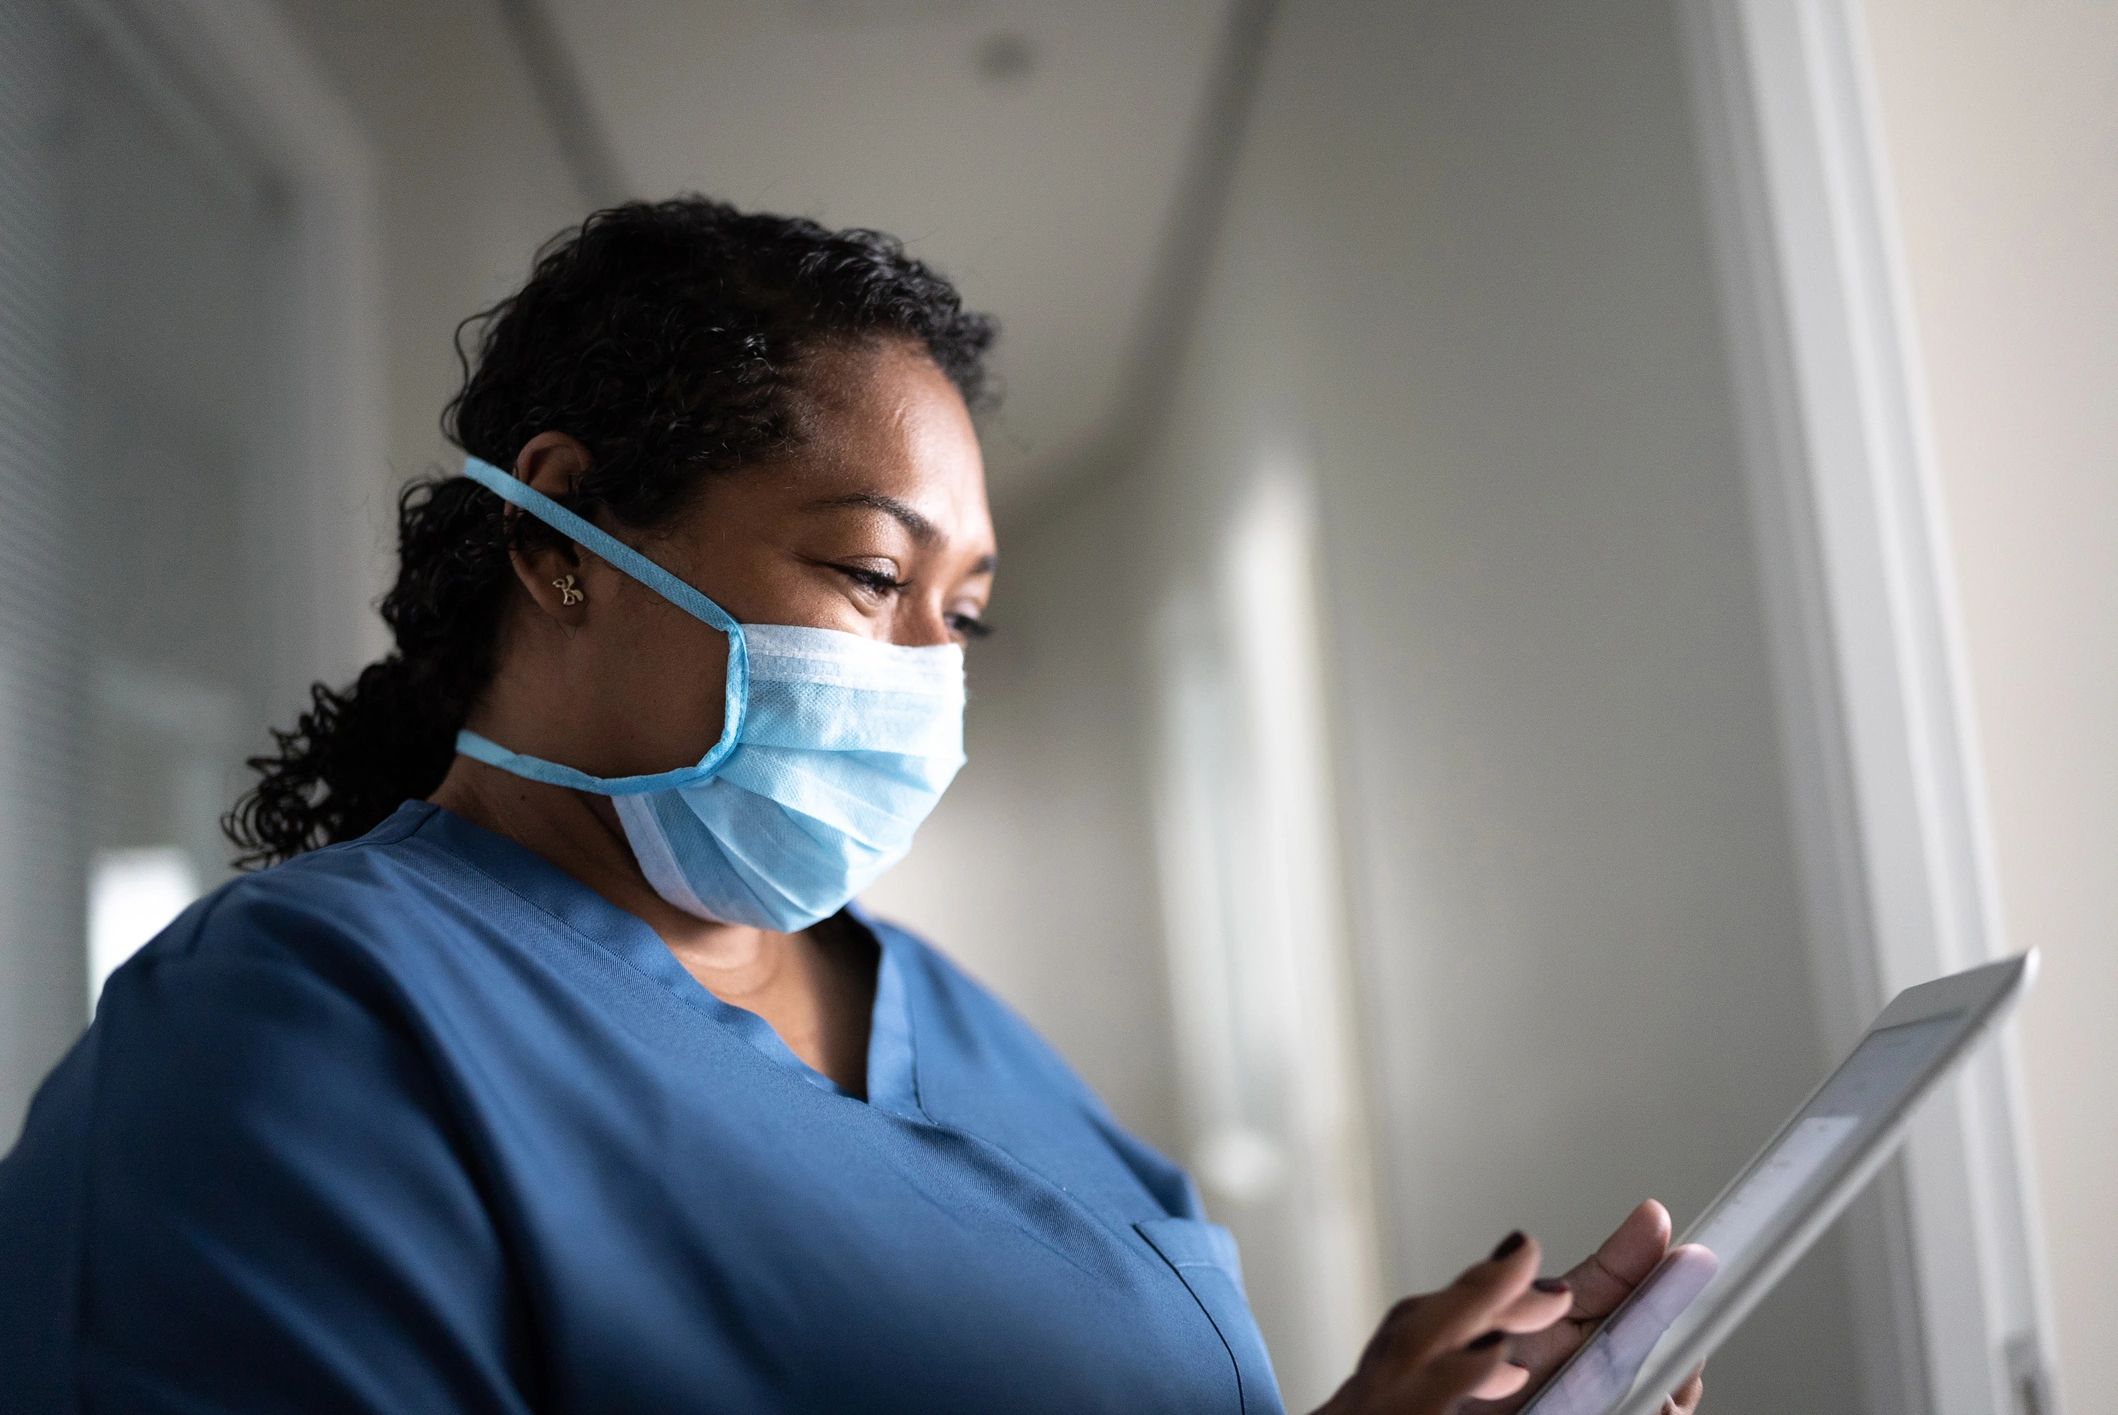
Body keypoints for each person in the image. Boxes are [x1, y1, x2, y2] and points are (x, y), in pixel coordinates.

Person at [0, 196, 1703, 1414]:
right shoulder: (293, 1027)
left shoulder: (925, 1007)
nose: (920, 667)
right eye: (867, 573)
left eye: (956, 613)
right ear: (556, 531)